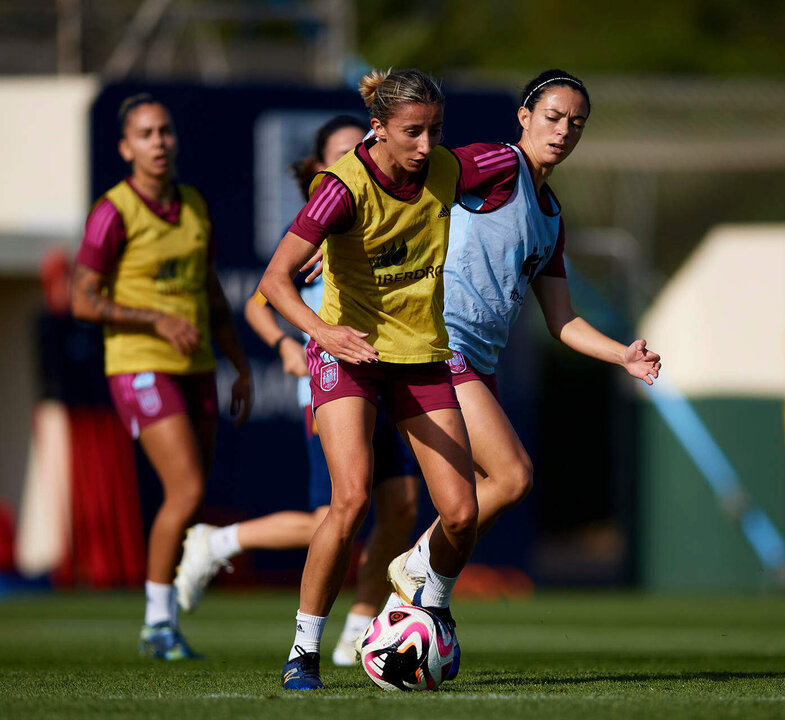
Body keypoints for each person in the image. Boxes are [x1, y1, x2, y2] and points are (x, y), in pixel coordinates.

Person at [261, 68, 504, 690]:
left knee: (460, 514)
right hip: (348, 355)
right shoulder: (340, 188)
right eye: (413, 132)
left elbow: (521, 159)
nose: (427, 146)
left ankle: (429, 612)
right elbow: (273, 283)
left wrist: (550, 129)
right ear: (379, 129)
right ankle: (303, 651)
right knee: (352, 500)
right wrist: (324, 333)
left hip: (420, 356)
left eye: (435, 130)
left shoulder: (448, 168)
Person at [384, 70, 661, 610]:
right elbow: (415, 172)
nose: (563, 131)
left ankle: (421, 601)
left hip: (478, 361)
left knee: (473, 502)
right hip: (439, 344)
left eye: (576, 124)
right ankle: (418, 574)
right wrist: (347, 240)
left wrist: (622, 354)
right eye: (553, 117)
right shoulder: (499, 163)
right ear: (525, 117)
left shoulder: (551, 215)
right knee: (511, 478)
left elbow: (562, 320)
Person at [173, 115, 420, 667]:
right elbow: (261, 301)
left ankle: (359, 629)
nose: (357, 156)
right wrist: (291, 346)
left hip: (392, 372)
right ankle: (219, 542)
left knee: (400, 508)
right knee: (336, 513)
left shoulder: (390, 210)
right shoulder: (322, 219)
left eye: (362, 146)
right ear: (316, 165)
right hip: (338, 382)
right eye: (341, 151)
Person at [71, 94, 251, 659]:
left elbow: (212, 292)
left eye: (165, 131)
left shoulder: (194, 204)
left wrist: (240, 363)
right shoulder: (114, 210)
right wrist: (153, 317)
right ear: (126, 147)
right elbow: (81, 299)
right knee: (188, 489)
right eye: (146, 134)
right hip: (138, 365)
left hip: (195, 365)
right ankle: (156, 625)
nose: (158, 142)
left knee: (190, 501)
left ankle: (163, 620)